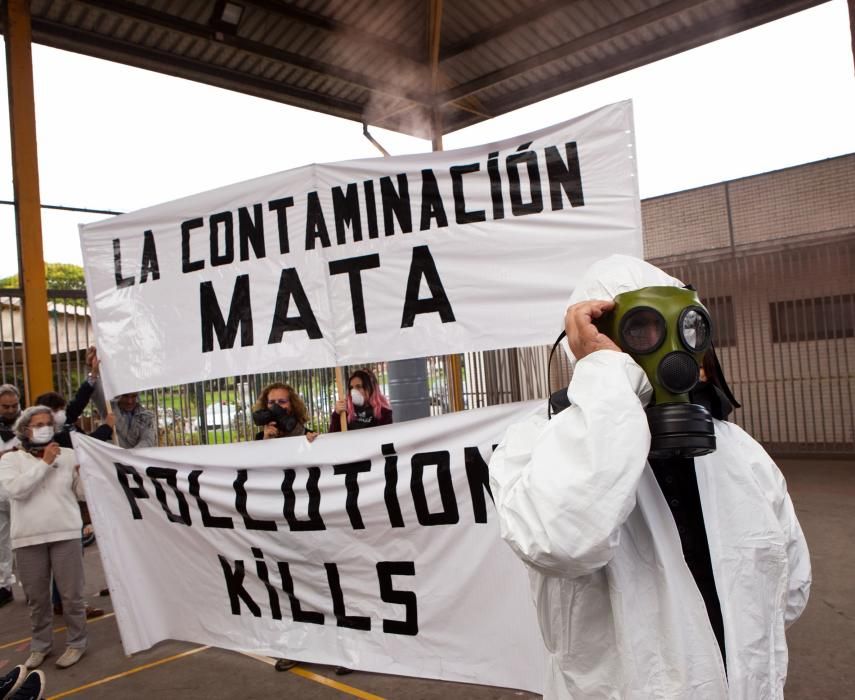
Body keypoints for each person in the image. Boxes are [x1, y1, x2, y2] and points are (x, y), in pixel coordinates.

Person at [488, 254, 811, 699]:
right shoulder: (535, 446)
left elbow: (788, 590)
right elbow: (561, 540)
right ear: (590, 341)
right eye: (639, 330)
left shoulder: (739, 452)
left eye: (684, 328)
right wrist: (608, 378)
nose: (667, 350)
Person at [0, 406, 89, 670]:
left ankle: (77, 642)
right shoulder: (10, 461)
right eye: (38, 424)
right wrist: (45, 463)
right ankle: (41, 645)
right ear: (25, 430)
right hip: (28, 538)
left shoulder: (69, 455)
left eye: (48, 423)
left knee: (72, 595)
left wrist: (85, 477)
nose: (44, 428)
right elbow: (15, 491)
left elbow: (82, 495)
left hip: (65, 532)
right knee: (37, 599)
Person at [0, 384, 21, 609]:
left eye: (14, 405)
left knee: (25, 541)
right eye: (5, 406)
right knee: (1, 542)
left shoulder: (27, 423)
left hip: (20, 491)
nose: (10, 410)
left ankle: (32, 587)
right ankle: (4, 586)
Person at [328, 369, 393, 432]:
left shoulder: (384, 413)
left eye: (358, 387)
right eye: (351, 388)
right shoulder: (345, 410)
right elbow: (333, 437)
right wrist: (336, 414)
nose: (353, 391)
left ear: (369, 389)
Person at [252, 383, 318, 443]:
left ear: (293, 405)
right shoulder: (260, 438)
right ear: (265, 405)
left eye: (282, 401)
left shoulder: (308, 435)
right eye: (271, 402)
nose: (276, 406)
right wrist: (266, 442)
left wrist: (311, 444)